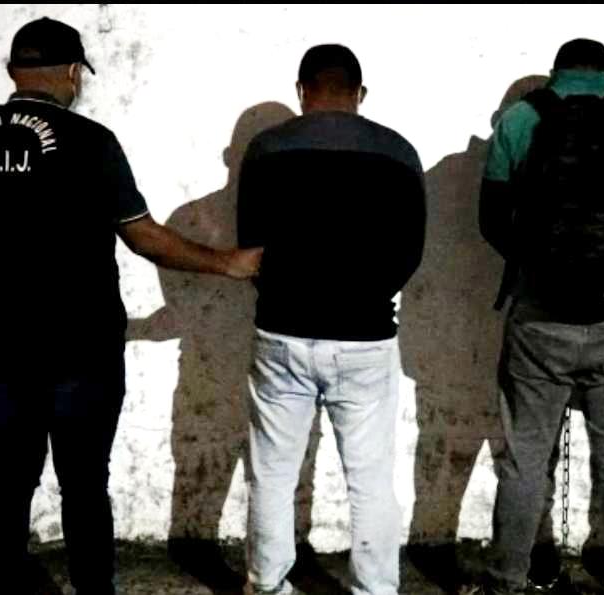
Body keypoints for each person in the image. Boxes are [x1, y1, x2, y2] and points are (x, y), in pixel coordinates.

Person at [0, 17, 262, 594]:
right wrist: (227, 263)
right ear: (71, 72)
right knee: (84, 482)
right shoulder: (91, 141)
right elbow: (144, 236)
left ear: (13, 71)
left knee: (10, 476)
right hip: (80, 349)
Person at [476, 38, 604, 595]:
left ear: (556, 73)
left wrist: (537, 266)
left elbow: (491, 218)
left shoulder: (519, 120)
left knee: (525, 458)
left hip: (538, 318)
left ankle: (507, 581)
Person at [236, 44, 426, 595]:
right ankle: (375, 589)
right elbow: (409, 252)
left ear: (302, 90)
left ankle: (267, 585)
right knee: (370, 479)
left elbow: (251, 247)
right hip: (366, 335)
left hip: (282, 331)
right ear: (360, 93)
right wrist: (366, 295)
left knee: (272, 474)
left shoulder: (265, 148)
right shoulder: (399, 152)